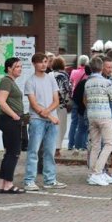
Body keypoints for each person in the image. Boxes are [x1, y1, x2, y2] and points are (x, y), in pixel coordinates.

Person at [24, 52, 67, 191]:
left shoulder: (51, 79)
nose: (43, 64)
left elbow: (56, 100)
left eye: (45, 61)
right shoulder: (30, 81)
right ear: (34, 64)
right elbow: (35, 105)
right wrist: (50, 116)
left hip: (51, 120)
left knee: (49, 151)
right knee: (33, 151)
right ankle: (29, 180)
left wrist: (49, 113)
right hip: (37, 120)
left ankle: (50, 179)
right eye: (40, 62)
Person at [85, 55, 112, 186]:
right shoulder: (107, 82)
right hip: (104, 115)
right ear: (101, 68)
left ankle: (92, 173)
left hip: (91, 115)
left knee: (95, 145)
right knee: (109, 144)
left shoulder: (87, 82)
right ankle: (97, 172)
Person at [0, 57, 26, 194]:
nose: (20, 68)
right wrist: (14, 115)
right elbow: (2, 102)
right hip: (9, 120)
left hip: (10, 119)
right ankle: (8, 184)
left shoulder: (11, 82)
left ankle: (2, 184)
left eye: (20, 66)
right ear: (9, 68)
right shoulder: (6, 82)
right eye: (17, 66)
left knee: (9, 153)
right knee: (14, 153)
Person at [67, 55, 90, 151]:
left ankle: (70, 144)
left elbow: (71, 83)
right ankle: (81, 145)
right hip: (83, 101)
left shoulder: (74, 72)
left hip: (74, 98)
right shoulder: (88, 74)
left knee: (73, 123)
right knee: (82, 125)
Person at [51, 57, 72, 158]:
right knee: (61, 126)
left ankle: (51, 146)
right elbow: (66, 90)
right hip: (60, 104)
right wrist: (67, 101)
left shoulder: (49, 75)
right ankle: (57, 149)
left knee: (52, 125)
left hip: (50, 104)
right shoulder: (63, 76)